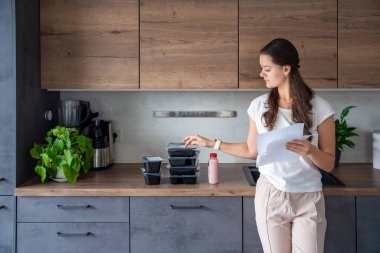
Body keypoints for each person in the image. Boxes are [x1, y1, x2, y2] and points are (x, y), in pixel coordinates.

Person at [182, 38, 335, 253]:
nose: (261, 73)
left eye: (266, 69)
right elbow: (250, 150)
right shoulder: (258, 106)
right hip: (271, 194)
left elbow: (328, 163)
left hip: (308, 196)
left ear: (286, 69)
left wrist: (310, 150)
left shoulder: (320, 107)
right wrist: (210, 143)